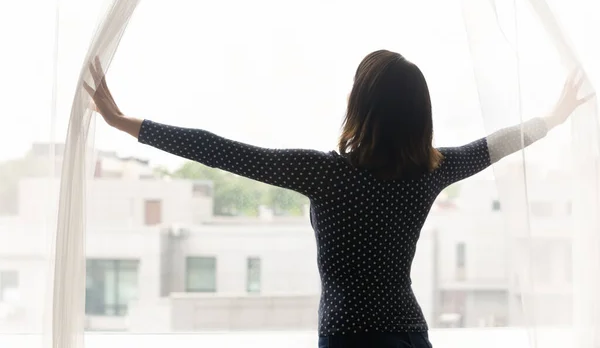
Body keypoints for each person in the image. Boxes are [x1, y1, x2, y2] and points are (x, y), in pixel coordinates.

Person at [85, 50, 591, 348]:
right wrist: (554, 118)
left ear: (360, 106)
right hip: (408, 334)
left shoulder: (326, 175)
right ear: (419, 116)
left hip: (348, 340)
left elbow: (222, 152)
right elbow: (495, 146)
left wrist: (124, 123)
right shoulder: (430, 170)